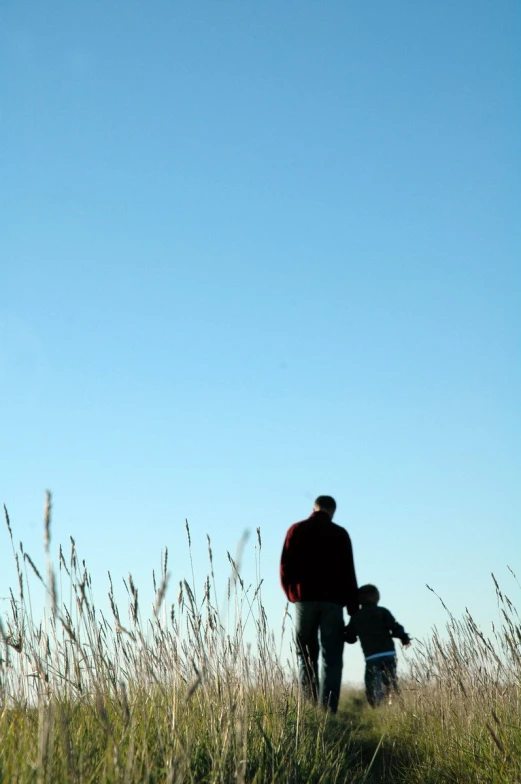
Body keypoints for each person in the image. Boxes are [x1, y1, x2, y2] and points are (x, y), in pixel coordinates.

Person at [280, 495, 358, 713]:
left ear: (314, 508)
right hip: (333, 603)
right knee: (331, 657)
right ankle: (328, 710)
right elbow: (348, 573)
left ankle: (309, 707)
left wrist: (292, 594)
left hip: (304, 600)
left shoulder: (296, 530)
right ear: (333, 511)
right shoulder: (340, 534)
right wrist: (353, 610)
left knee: (305, 655)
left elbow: (284, 567)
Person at [344, 584, 411, 707]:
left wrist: (343, 633)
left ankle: (375, 704)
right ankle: (393, 703)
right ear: (377, 598)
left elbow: (350, 637)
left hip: (371, 656)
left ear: (359, 599)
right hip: (388, 653)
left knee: (371, 681)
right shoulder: (383, 612)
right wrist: (404, 638)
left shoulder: (357, 616)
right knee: (390, 680)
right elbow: (395, 627)